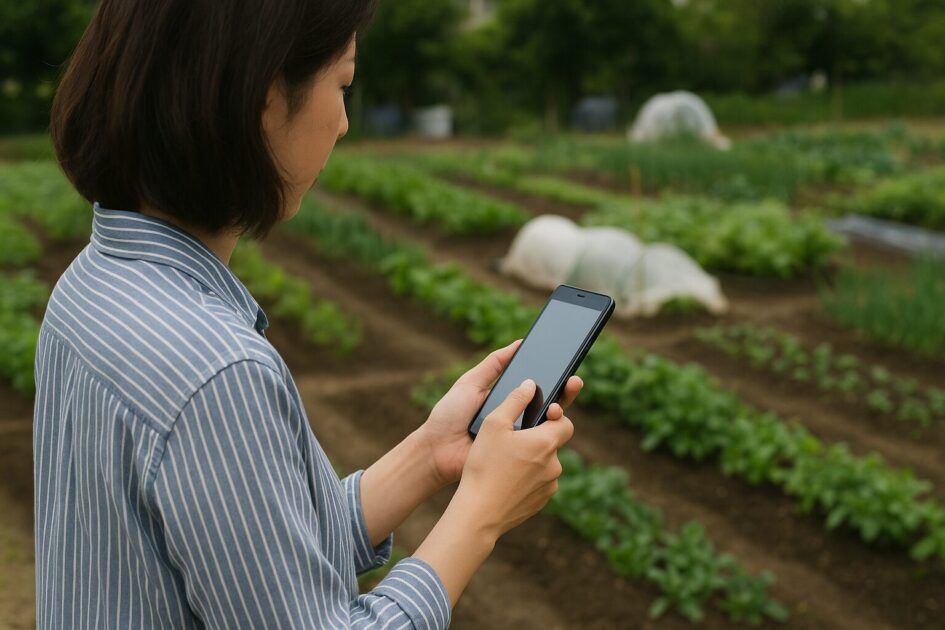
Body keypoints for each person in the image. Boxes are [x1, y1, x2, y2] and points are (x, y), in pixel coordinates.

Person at [35, 1, 581, 628]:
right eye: (342, 84)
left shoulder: (94, 281)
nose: (344, 123)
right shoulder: (216, 373)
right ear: (265, 95)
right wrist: (482, 511)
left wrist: (430, 455)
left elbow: (262, 553)